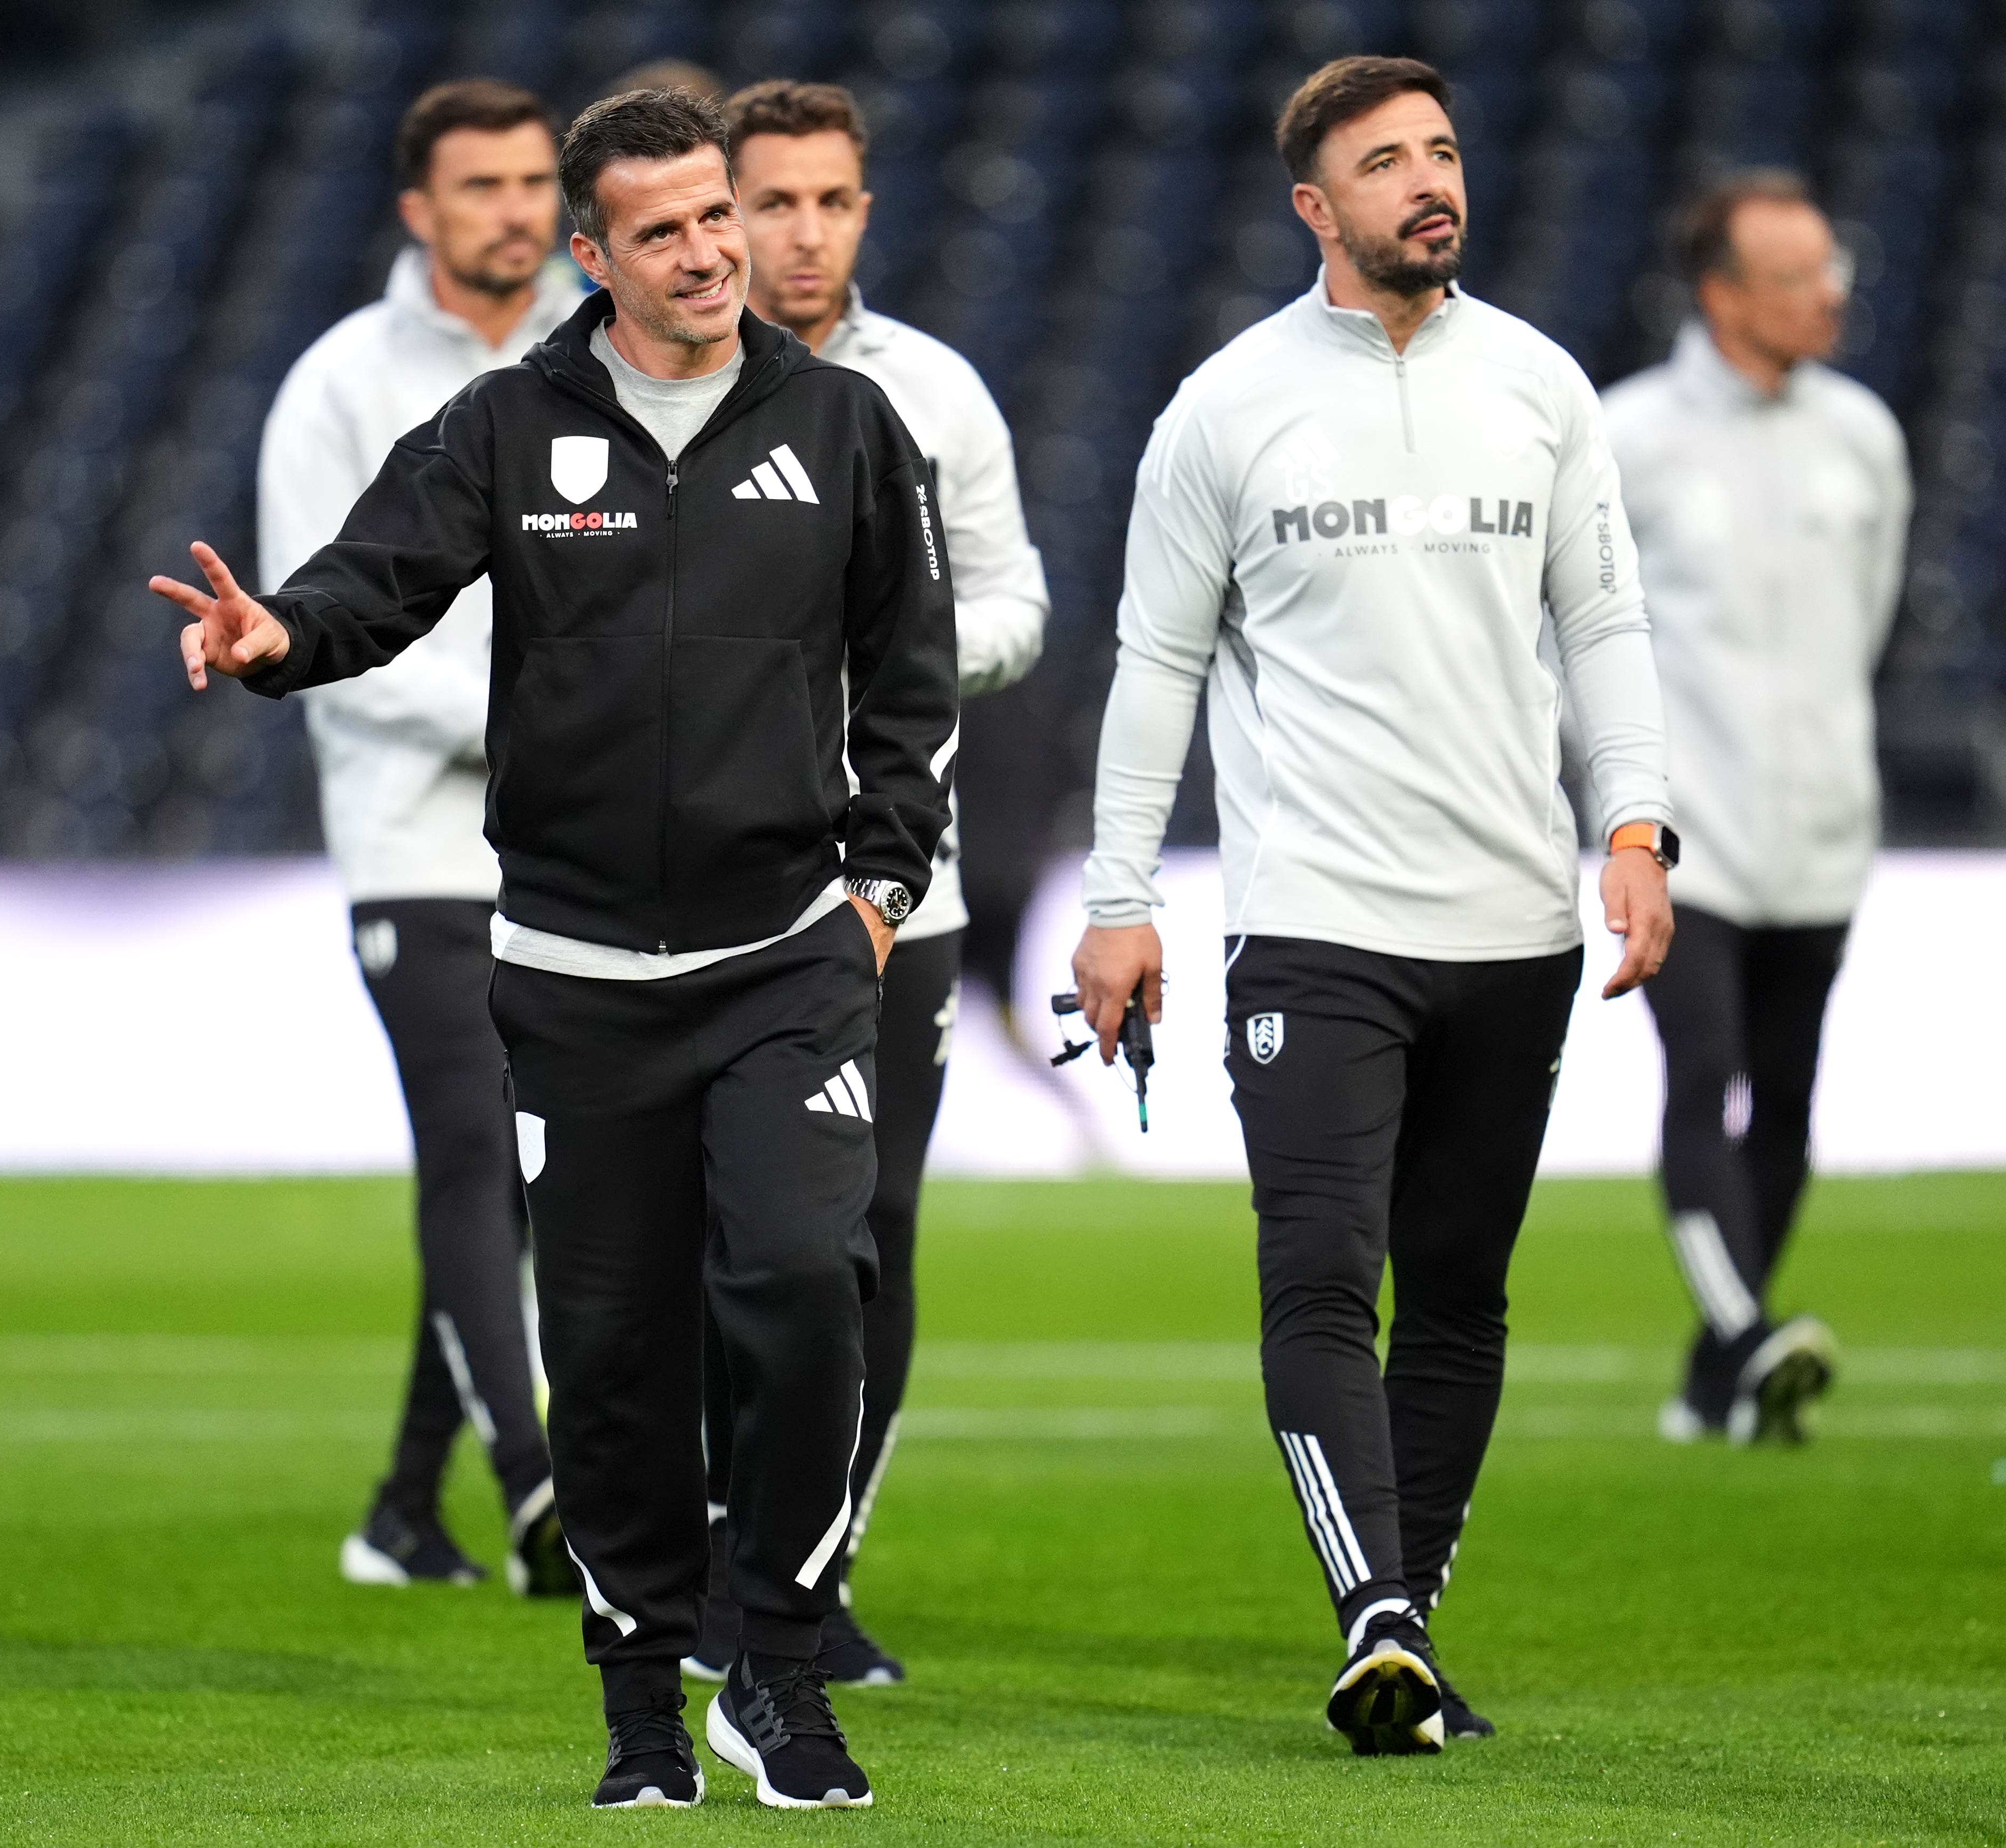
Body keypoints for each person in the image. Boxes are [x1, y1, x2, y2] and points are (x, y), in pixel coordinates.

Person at [150, 88, 955, 1813]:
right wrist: (274, 631)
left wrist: (877, 884)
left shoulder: (846, 420)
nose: (706, 250)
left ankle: (779, 1653)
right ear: (589, 256)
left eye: (715, 215)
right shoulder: (507, 422)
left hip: (783, 961)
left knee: (808, 1284)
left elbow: (912, 682)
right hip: (576, 974)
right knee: (604, 1351)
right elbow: (372, 580)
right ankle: (640, 1700)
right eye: (658, 228)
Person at [1066, 57, 1676, 1756]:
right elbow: (1155, 669)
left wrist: (1635, 823)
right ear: (1313, 210)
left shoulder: (1545, 388)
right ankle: (1378, 1616)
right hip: (1314, 920)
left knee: (1461, 1292)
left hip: (1515, 924)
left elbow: (1605, 627)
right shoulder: (1225, 408)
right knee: (1322, 1274)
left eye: (1445, 151)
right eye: (1385, 161)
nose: (1431, 181)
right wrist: (1122, 901)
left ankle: (1406, 1620)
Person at [677, 76, 1048, 1688]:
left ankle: (808, 1583)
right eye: (772, 202)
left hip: (905, 899)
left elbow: (1021, 601)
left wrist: (897, 656)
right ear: (718, 215)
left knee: (863, 1244)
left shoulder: (938, 394)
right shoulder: (646, 393)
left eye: (831, 202)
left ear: (864, 212)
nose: (802, 233)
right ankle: (701, 1563)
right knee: (717, 1240)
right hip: (692, 900)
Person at [258, 77, 584, 1598]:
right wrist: (548, 711)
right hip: (419, 843)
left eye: (534, 183)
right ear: (419, 210)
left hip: (578, 843)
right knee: (475, 1141)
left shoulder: (608, 344)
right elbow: (306, 618)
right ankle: (537, 1495)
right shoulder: (338, 383)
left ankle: (403, 1506)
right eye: (483, 187)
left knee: (520, 1177)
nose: (516, 211)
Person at [1602, 172, 1910, 1448]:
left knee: (1786, 1101)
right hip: (1689, 833)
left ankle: (1712, 1379)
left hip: (1824, 831)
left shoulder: (1863, 436)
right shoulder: (1629, 434)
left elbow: (1873, 616)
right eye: (1794, 279)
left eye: (1829, 272)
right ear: (1722, 294)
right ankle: (1742, 1334)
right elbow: (1582, 629)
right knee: (1703, 1074)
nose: (1826, 298)